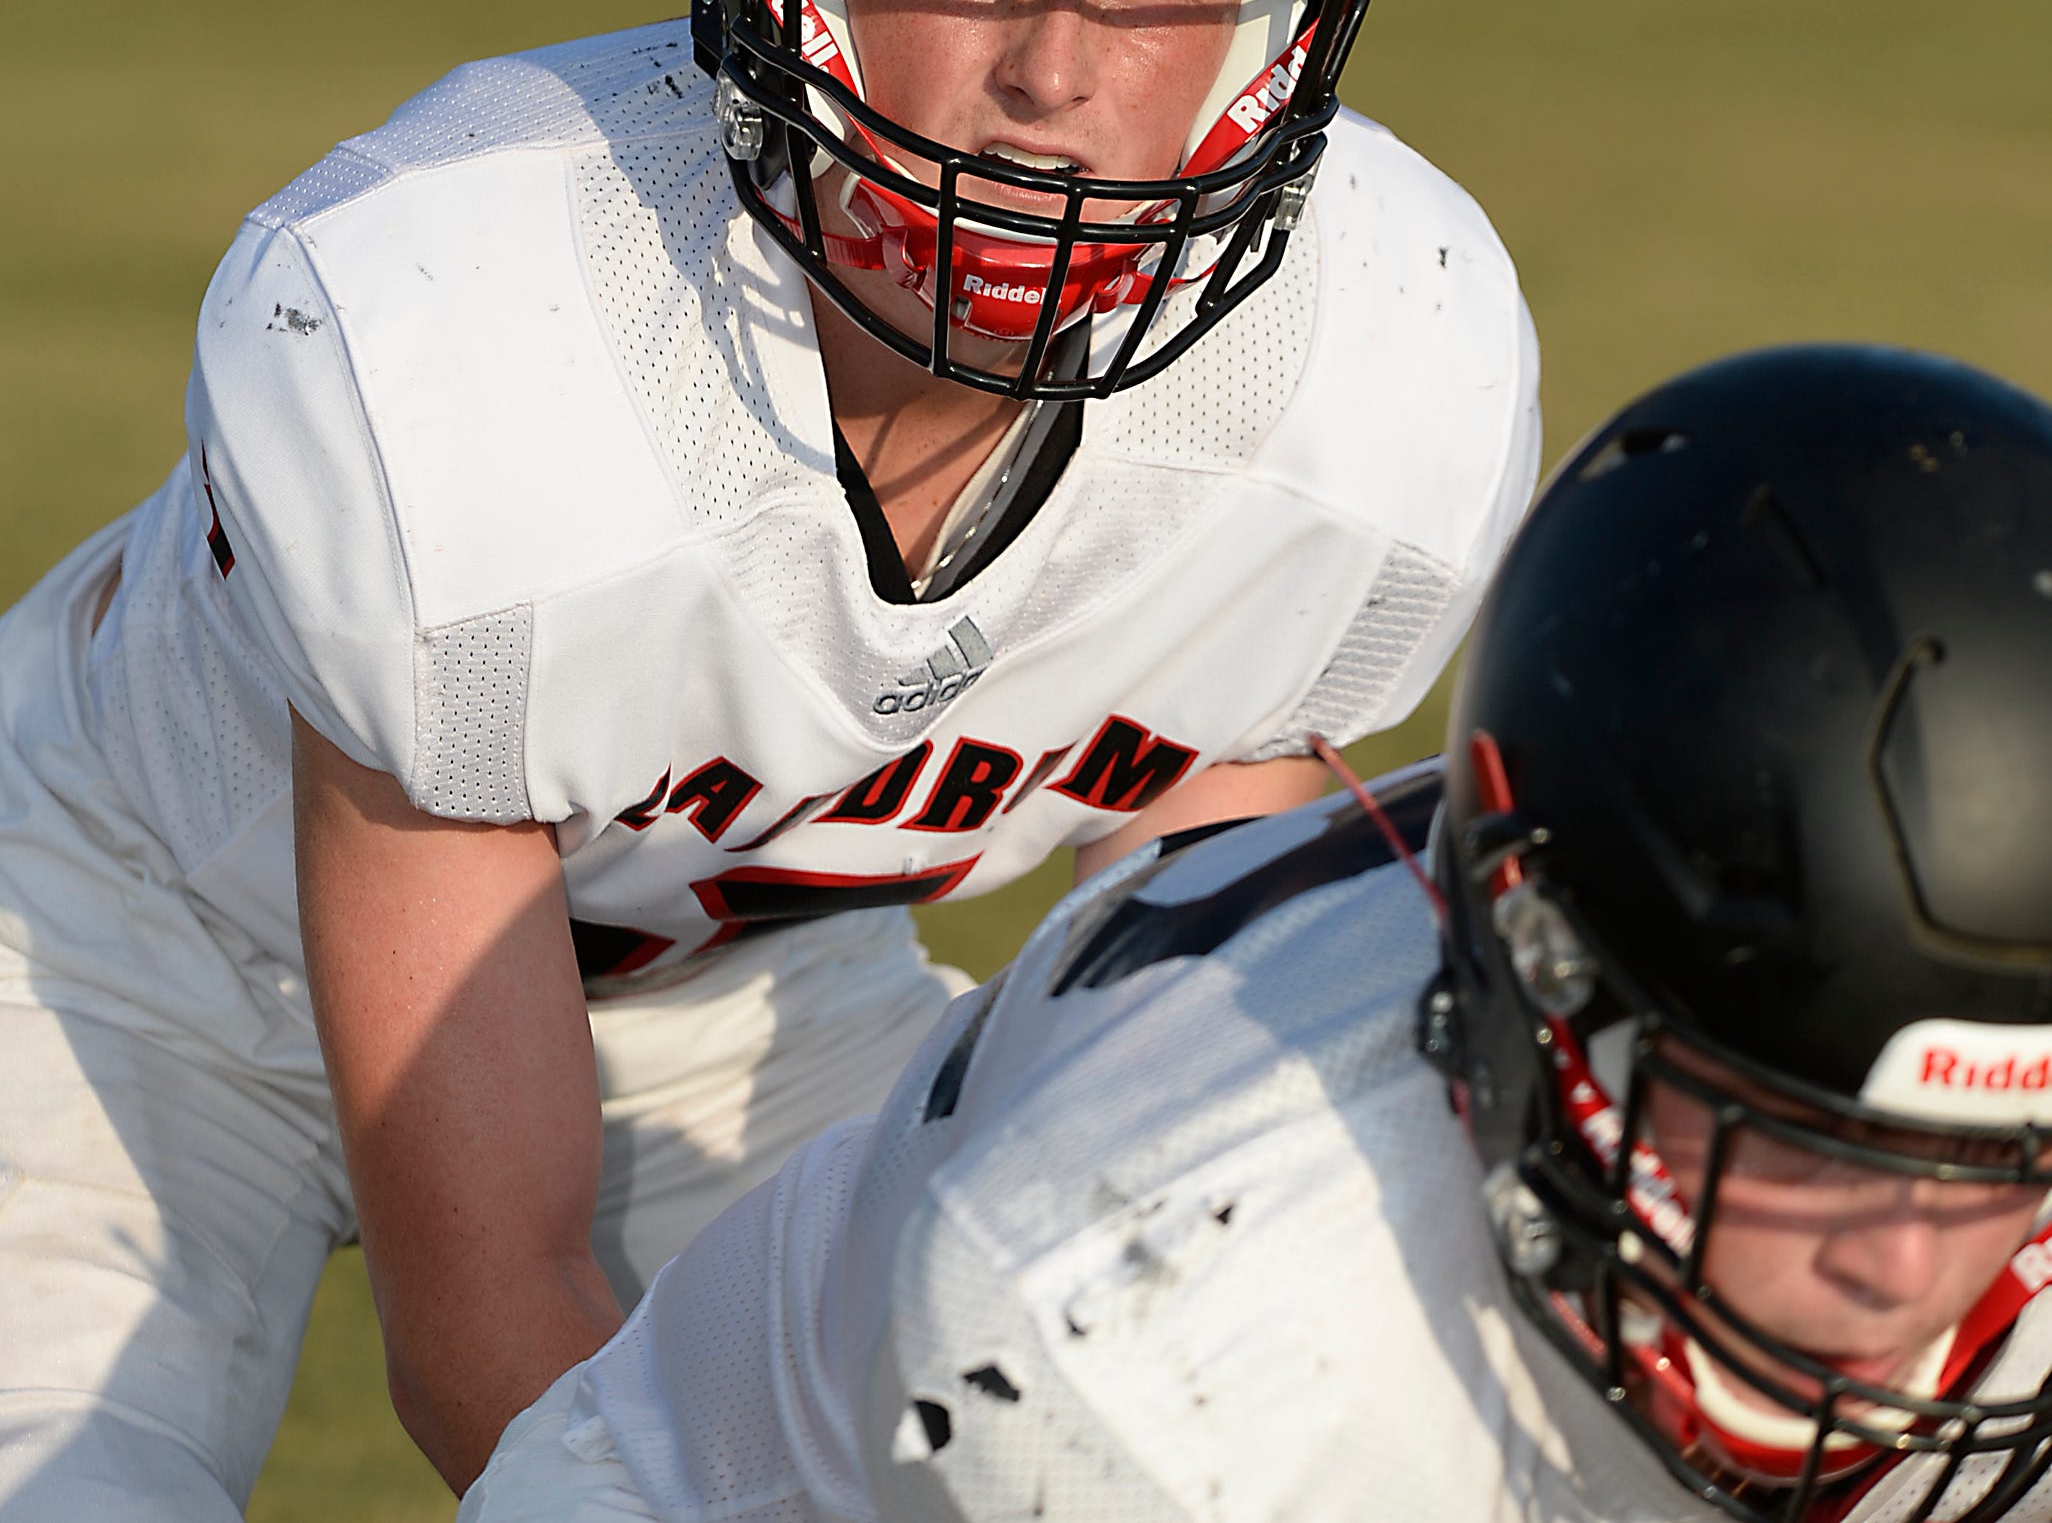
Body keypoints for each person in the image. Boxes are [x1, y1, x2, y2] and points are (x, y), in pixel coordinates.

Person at [0, 0, 1538, 1517]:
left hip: (741, 990)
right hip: (123, 943)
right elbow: (500, 1350)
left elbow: (1187, 1052)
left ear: (1286, 30)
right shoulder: (472, 327)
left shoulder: (1369, 380)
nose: (1053, 80)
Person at [463, 343, 2052, 1523]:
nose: (1899, 1264)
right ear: (1542, 990)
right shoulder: (1153, 1348)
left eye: (1998, 1157)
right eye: (1797, 1139)